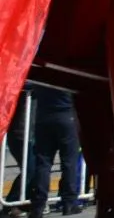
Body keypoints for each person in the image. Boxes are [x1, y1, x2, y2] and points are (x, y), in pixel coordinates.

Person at [27, 85, 81, 217]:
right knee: (69, 162)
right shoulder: (65, 71)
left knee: (43, 163)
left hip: (43, 117)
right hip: (66, 115)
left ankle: (38, 205)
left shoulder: (42, 73)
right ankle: (69, 203)